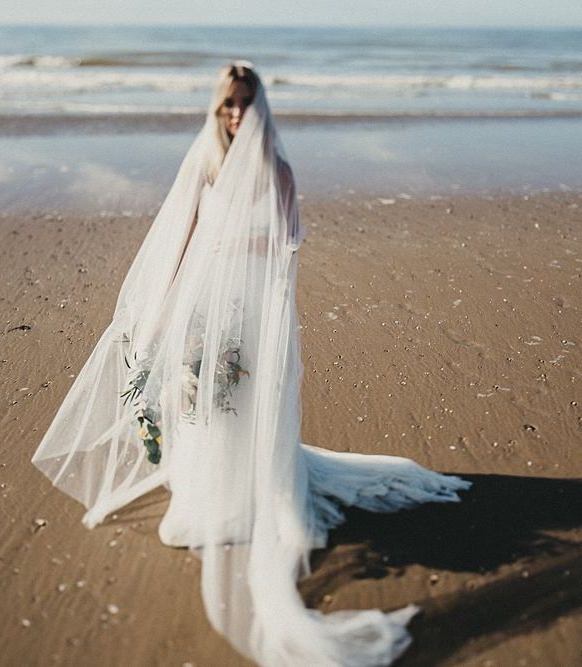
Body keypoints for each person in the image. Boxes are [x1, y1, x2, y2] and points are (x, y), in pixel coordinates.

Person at [31, 61, 471, 666]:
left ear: (260, 105)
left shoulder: (276, 170)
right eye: (227, 104)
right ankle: (212, 492)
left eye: (245, 102)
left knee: (242, 401)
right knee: (204, 404)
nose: (236, 113)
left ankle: (250, 493)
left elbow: (290, 247)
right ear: (217, 110)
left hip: (256, 308)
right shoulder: (206, 166)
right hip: (205, 306)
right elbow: (180, 243)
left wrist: (270, 311)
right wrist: (161, 318)